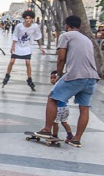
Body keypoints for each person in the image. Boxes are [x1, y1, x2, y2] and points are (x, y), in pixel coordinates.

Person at [32, 15, 99, 148]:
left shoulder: (66, 36)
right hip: (92, 77)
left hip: (76, 76)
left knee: (52, 98)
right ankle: (76, 139)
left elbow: (61, 58)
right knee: (84, 108)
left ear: (66, 25)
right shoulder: (87, 39)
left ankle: (46, 130)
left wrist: (58, 74)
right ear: (80, 27)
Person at [3, 10, 44, 90]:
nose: (28, 20)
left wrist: (40, 47)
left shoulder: (35, 26)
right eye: (26, 18)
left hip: (27, 46)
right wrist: (13, 46)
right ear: (24, 19)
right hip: (18, 45)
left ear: (32, 19)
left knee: (28, 62)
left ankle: (29, 79)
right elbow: (15, 35)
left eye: (29, 18)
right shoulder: (19, 26)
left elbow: (38, 37)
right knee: (12, 61)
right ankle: (7, 75)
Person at [46, 71, 74, 141]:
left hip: (58, 108)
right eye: (51, 78)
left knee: (55, 122)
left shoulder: (57, 89)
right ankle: (69, 134)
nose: (52, 80)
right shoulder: (64, 87)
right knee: (64, 122)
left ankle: (55, 135)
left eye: (54, 78)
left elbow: (52, 98)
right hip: (65, 108)